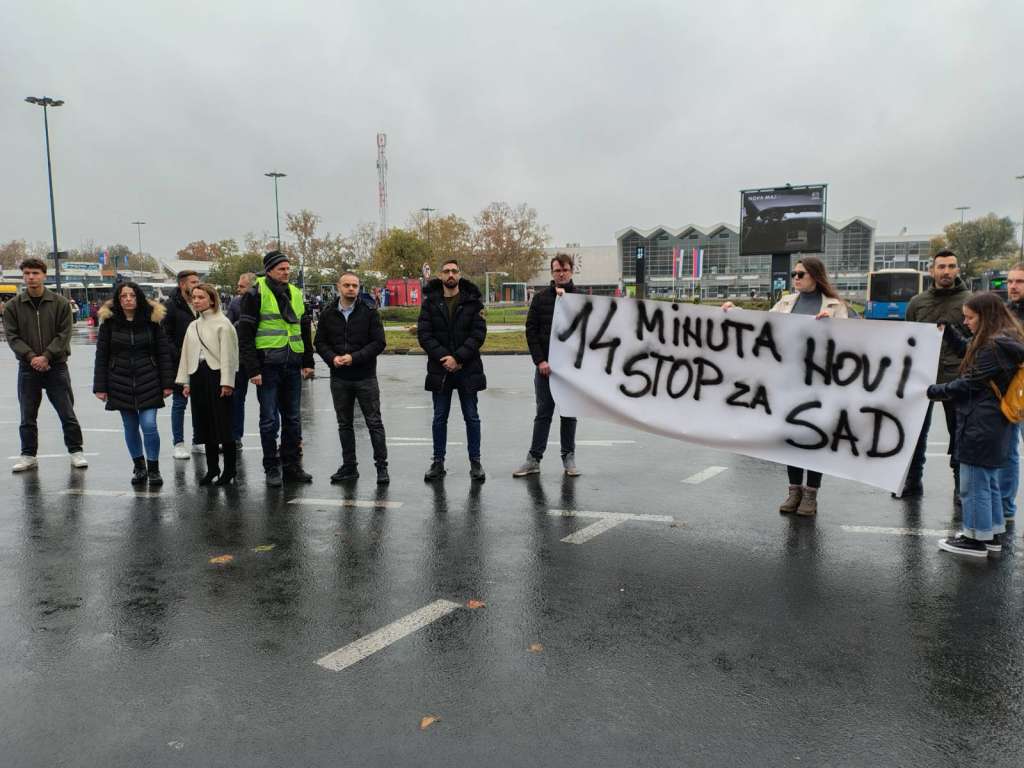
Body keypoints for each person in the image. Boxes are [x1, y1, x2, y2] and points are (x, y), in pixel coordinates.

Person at [723, 255, 848, 516]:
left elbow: (848, 343)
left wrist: (832, 325)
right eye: (794, 274)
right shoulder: (787, 302)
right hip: (788, 381)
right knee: (790, 436)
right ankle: (794, 491)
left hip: (819, 384)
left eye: (800, 274)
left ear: (815, 276)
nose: (795, 279)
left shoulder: (835, 307)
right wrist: (734, 311)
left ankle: (811, 494)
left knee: (815, 436)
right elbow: (762, 325)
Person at [929, 293, 1024, 557]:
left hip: (981, 423)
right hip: (994, 422)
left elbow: (968, 383)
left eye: (970, 317)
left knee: (973, 484)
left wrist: (931, 390)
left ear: (986, 317)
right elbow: (969, 353)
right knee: (989, 481)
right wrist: (949, 332)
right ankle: (990, 533)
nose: (966, 321)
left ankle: (975, 539)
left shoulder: (993, 347)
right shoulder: (1002, 340)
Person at [236, 251, 315, 487]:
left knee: (293, 418)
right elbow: (245, 335)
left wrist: (308, 362)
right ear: (269, 270)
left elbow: (304, 329)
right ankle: (271, 466)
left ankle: (291, 466)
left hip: (292, 363)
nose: (286, 272)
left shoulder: (296, 293)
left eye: (288, 268)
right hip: (268, 365)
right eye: (281, 268)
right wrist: (253, 369)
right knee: (269, 420)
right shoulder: (255, 293)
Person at [896, 250, 971, 500]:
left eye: (951, 266)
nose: (946, 271)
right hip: (922, 377)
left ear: (958, 270)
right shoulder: (917, 303)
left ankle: (961, 488)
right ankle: (913, 481)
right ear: (932, 271)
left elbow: (977, 340)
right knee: (916, 434)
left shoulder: (970, 301)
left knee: (959, 434)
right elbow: (907, 339)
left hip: (957, 377)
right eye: (941, 267)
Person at [4, 258, 88, 472]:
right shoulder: (13, 306)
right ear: (23, 276)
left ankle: (76, 451)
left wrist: (47, 356)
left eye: (35, 273)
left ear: (44, 275)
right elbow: (12, 337)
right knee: (27, 415)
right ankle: (28, 455)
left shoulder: (60, 303)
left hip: (56, 366)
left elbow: (64, 334)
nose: (31, 277)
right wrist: (31, 356)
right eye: (27, 273)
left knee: (66, 411)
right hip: (27, 367)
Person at [93, 282, 175, 487]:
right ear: (118, 300)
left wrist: (167, 383)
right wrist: (100, 386)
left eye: (132, 295)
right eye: (123, 296)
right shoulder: (109, 323)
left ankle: (154, 468)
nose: (128, 299)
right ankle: (139, 467)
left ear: (138, 298)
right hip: (118, 380)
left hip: (149, 378)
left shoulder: (152, 321)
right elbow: (101, 356)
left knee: (148, 424)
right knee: (130, 426)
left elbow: (163, 354)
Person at [315, 272, 389, 485]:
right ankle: (349, 467)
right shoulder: (328, 313)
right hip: (339, 378)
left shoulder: (370, 312)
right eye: (347, 285)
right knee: (344, 424)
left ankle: (381, 468)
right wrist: (332, 358)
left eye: (355, 285)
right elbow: (319, 342)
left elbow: (379, 343)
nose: (351, 289)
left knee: (374, 422)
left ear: (359, 288)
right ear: (339, 287)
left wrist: (353, 358)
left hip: (365, 376)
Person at [417, 259, 487, 482]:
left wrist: (457, 358)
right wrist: (444, 358)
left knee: (472, 417)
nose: (450, 274)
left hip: (467, 369)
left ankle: (475, 463)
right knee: (439, 418)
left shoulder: (473, 301)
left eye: (454, 271)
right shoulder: (429, 303)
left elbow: (478, 335)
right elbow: (424, 335)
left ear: (460, 274)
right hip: (440, 370)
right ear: (439, 275)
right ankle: (438, 463)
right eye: (446, 271)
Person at [514, 252, 580, 477]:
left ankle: (568, 458)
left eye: (565, 270)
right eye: (557, 270)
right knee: (543, 413)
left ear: (572, 271)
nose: (561, 274)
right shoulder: (541, 299)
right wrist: (540, 360)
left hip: (570, 370)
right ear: (551, 273)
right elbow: (530, 331)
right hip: (545, 368)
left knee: (569, 414)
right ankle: (534, 459)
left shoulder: (581, 299)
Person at [176, 283, 240, 486]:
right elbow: (186, 355)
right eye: (193, 297)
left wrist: (227, 382)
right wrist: (186, 381)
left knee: (223, 424)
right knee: (204, 424)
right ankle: (212, 468)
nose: (196, 301)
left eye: (201, 297)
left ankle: (229, 470)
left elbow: (229, 356)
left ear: (212, 299)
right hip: (198, 376)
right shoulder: (192, 326)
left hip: (217, 375)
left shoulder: (223, 324)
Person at [162, 270, 201, 460]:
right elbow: (164, 335)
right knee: (179, 404)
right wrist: (178, 355)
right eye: (193, 281)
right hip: (179, 363)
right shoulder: (171, 306)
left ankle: (198, 440)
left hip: (202, 361)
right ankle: (178, 443)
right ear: (182, 285)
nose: (197, 284)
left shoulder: (201, 303)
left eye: (198, 281)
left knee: (200, 403)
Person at [996, 263, 1024, 520]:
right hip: (1012, 392)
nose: (1013, 286)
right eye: (1010, 281)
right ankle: (1006, 507)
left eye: (1019, 282)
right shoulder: (1005, 313)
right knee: (1009, 452)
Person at [226, 272, 256, 450]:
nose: (238, 289)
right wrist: (240, 325)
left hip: (261, 357)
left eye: (242, 286)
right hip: (240, 357)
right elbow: (228, 326)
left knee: (270, 402)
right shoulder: (235, 302)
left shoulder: (263, 301)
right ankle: (235, 436)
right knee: (237, 398)